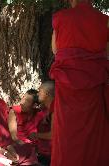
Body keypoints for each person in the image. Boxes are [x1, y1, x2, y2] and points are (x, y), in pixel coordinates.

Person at [50, 0, 109, 165]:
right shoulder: (103, 19)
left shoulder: (60, 17)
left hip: (67, 83)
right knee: (94, 131)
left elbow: (55, 50)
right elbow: (106, 51)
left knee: (67, 132)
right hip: (94, 80)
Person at [0, 81, 39, 165]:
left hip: (3, 148)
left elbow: (5, 137)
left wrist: (12, 151)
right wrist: (5, 153)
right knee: (3, 162)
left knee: (28, 149)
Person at [28, 81, 54, 166]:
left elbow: (53, 135)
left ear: (47, 93)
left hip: (51, 154)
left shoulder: (55, 111)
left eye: (40, 90)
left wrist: (35, 135)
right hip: (42, 151)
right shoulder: (47, 109)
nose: (38, 93)